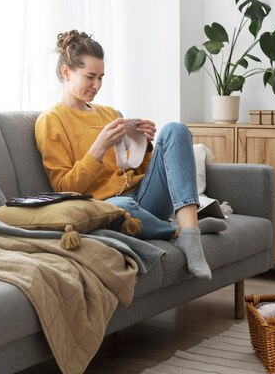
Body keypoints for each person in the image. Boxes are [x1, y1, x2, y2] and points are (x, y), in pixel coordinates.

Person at [34, 30, 226, 280]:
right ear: (66, 73)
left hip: (142, 197)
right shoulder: (51, 121)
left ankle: (190, 233)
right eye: (90, 77)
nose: (97, 85)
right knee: (119, 205)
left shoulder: (109, 113)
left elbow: (132, 169)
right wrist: (98, 148)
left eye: (101, 77)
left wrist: (145, 145)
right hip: (107, 207)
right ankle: (180, 231)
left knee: (176, 130)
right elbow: (63, 187)